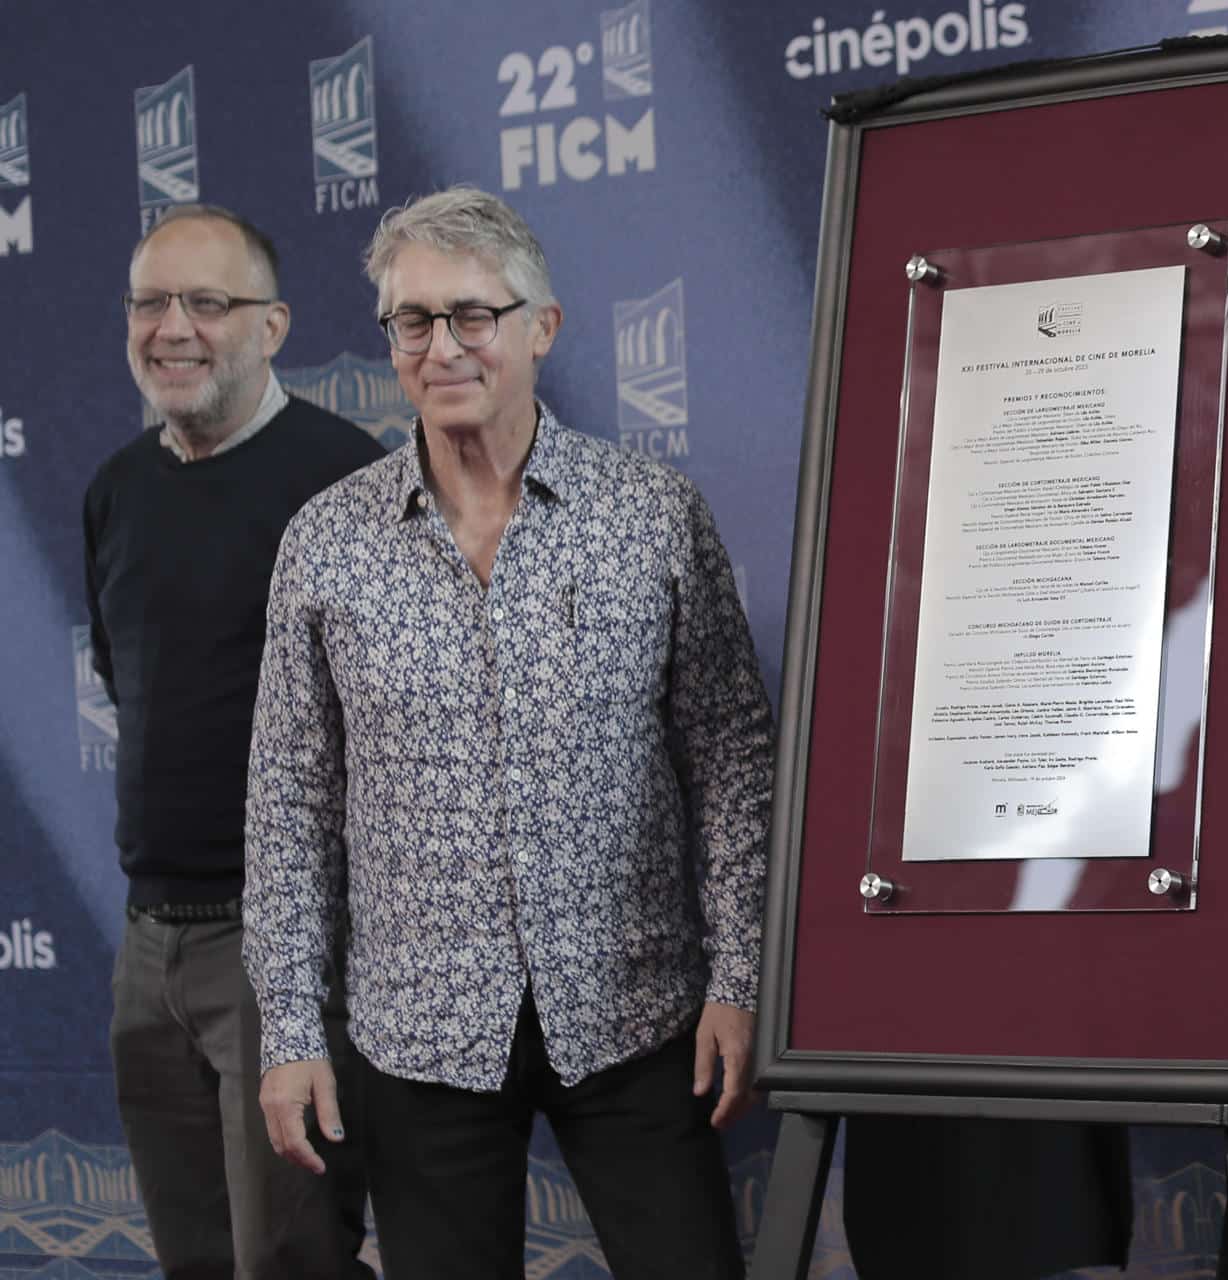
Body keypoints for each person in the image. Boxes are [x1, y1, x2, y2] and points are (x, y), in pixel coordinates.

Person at [242, 185, 772, 1280]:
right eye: (412, 320)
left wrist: (742, 976)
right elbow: (288, 805)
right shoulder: (326, 544)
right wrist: (291, 1027)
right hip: (419, 1032)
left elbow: (731, 762)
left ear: (543, 326)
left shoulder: (653, 514)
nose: (442, 347)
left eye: (473, 314)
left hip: (637, 1011)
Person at [82, 204, 382, 1278]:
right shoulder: (114, 490)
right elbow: (133, 685)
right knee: (195, 1259)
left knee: (292, 1262)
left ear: (273, 325)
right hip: (147, 943)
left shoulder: (351, 484)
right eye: (151, 301)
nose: (174, 327)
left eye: (208, 301)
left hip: (285, 946)